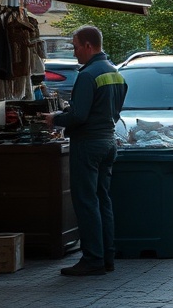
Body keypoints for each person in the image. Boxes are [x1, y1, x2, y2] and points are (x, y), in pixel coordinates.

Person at [44, 26, 127, 276]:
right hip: (108, 142)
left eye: (76, 46)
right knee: (103, 200)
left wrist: (54, 118)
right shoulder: (116, 73)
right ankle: (107, 257)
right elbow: (114, 111)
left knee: (86, 202)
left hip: (88, 144)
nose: (75, 51)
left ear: (89, 46)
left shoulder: (88, 75)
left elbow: (79, 115)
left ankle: (92, 259)